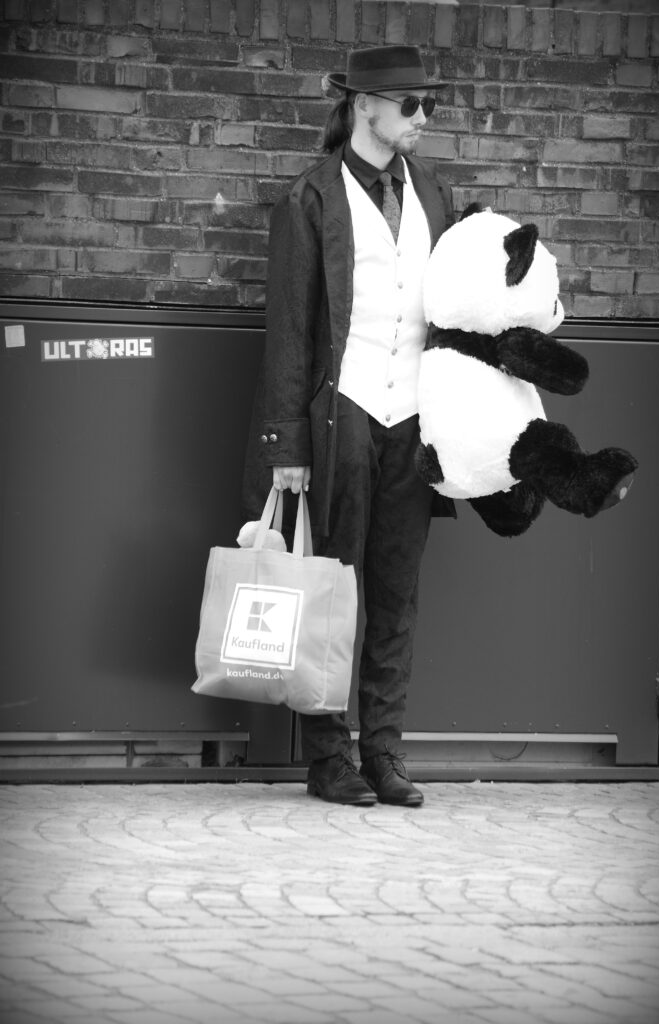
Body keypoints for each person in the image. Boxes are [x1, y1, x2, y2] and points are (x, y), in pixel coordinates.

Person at [242, 45, 455, 807]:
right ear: (363, 105)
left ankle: (385, 753)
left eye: (427, 104)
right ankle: (329, 758)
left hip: (412, 420)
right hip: (342, 415)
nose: (422, 117)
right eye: (409, 105)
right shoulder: (310, 197)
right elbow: (289, 333)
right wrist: (286, 448)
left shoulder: (433, 193)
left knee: (396, 592)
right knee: (330, 588)